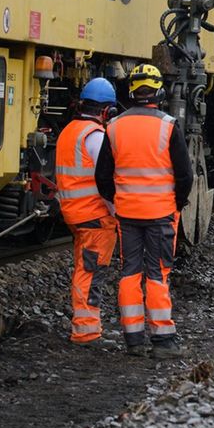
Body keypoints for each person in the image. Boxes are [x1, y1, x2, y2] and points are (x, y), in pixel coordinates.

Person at [100, 64, 192, 359]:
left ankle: (134, 340)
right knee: (157, 273)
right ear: (159, 91)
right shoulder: (168, 125)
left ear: (132, 90)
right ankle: (163, 341)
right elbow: (185, 176)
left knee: (129, 272)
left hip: (127, 214)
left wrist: (119, 200)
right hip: (161, 213)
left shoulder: (114, 127)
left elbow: (102, 177)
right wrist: (176, 202)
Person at [54, 77, 119, 345]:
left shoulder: (69, 131)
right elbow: (105, 181)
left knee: (85, 269)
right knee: (91, 274)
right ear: (107, 111)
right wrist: (118, 213)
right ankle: (86, 331)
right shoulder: (96, 137)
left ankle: (89, 327)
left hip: (75, 214)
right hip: (95, 217)